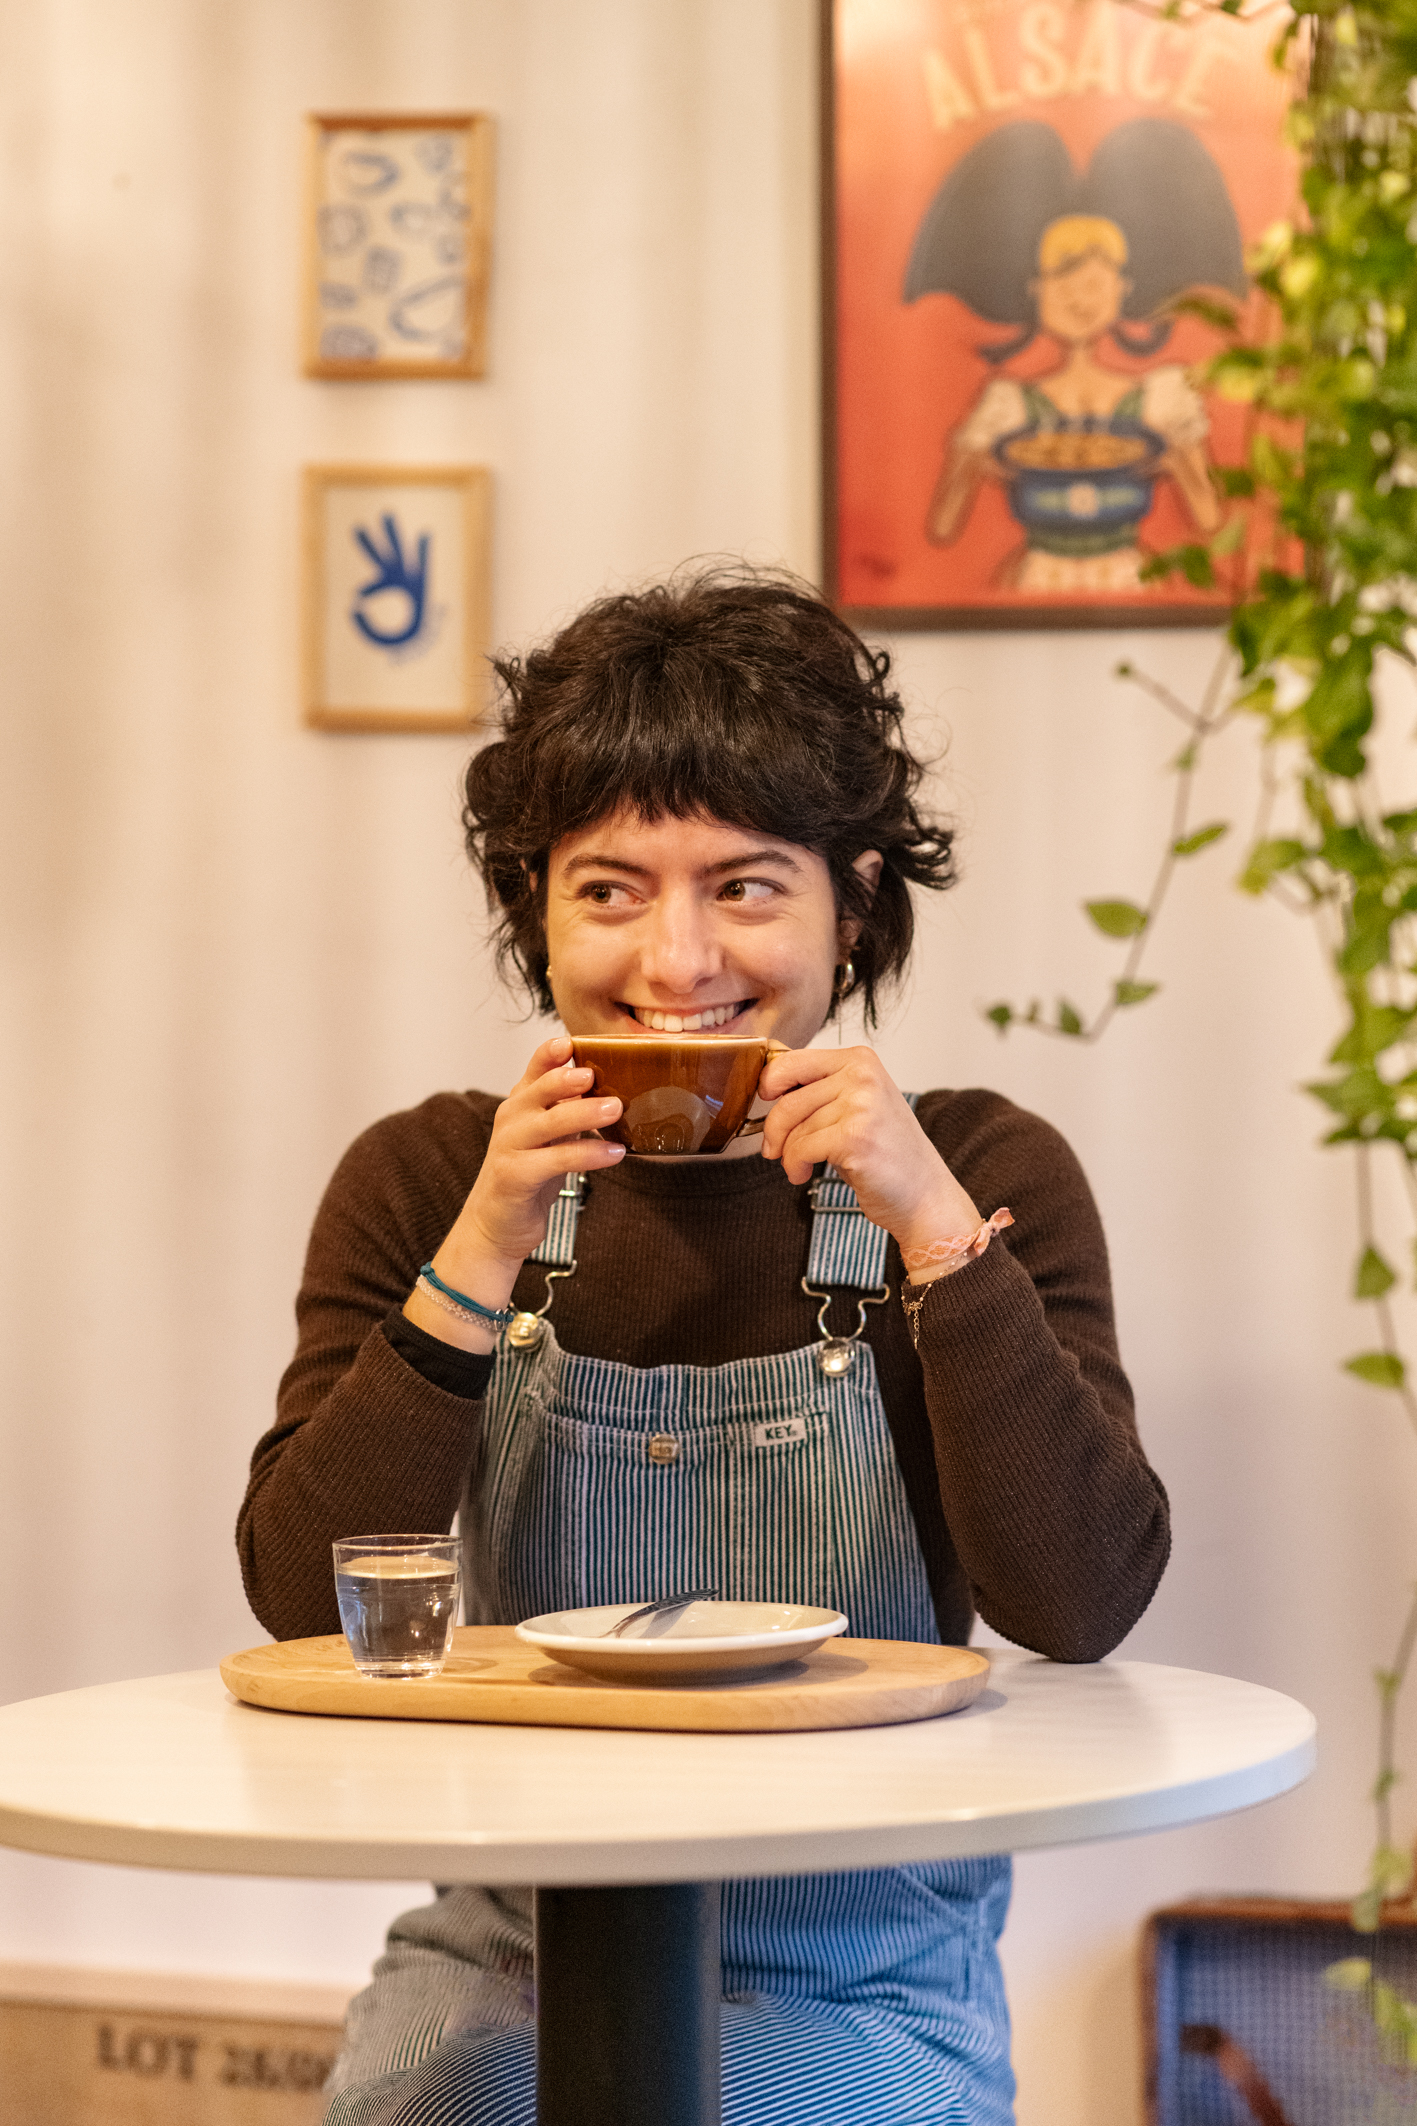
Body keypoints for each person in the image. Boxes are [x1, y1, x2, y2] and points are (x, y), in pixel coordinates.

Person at [237, 568, 1170, 2126]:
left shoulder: (981, 1166)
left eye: (743, 886)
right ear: (536, 906)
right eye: (610, 890)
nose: (675, 963)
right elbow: (295, 1599)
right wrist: (478, 1250)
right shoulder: (428, 1176)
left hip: (866, 1970)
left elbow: (1080, 1602)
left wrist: (936, 1229)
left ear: (852, 900)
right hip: (512, 1949)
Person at [904, 118, 1245, 592]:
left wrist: (1180, 459)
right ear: (1036, 292)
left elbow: (1209, 520)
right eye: (1064, 280)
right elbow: (942, 527)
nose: (1080, 298)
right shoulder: (1007, 405)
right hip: (1034, 578)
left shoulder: (1161, 399)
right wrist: (970, 460)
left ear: (1123, 290)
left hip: (1130, 578)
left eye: (1096, 282)